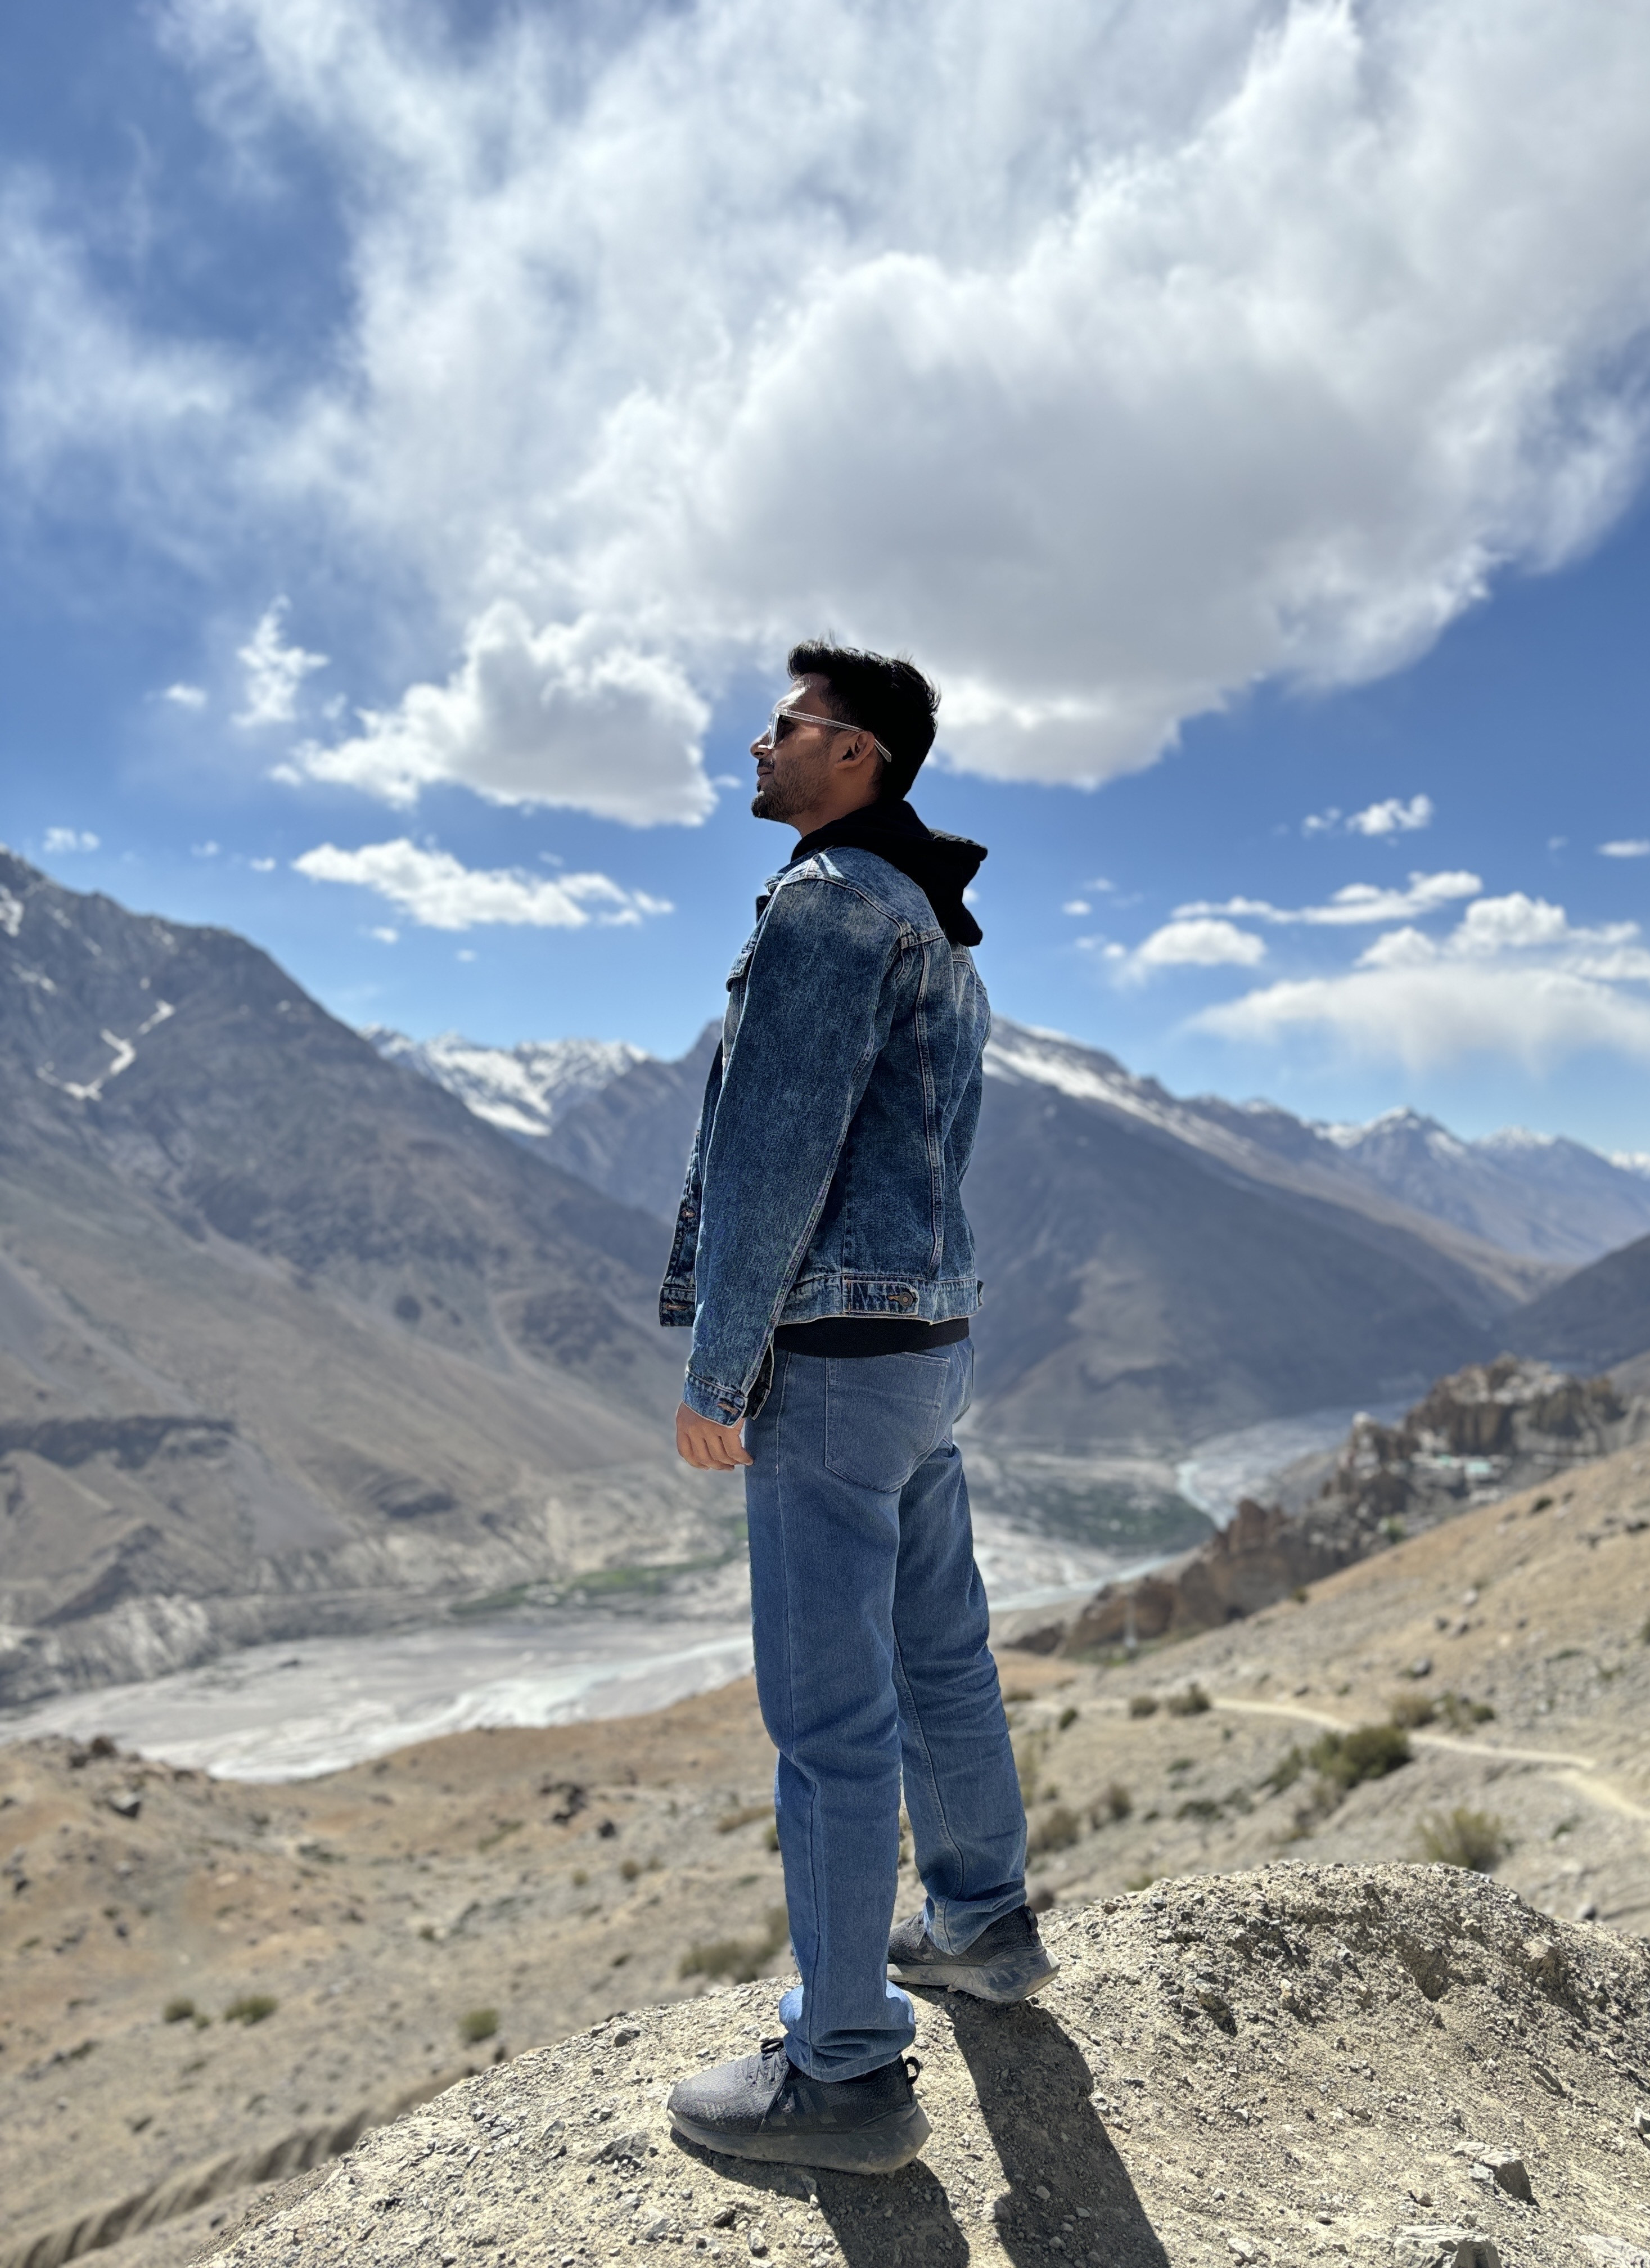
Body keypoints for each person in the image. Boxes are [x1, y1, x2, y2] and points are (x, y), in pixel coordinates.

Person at [660, 641, 1054, 2176]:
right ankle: (983, 1925)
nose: (757, 743)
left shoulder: (827, 906)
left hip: (828, 1362)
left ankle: (845, 2071)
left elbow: (776, 1155)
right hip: (927, 1344)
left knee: (829, 1722)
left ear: (855, 754)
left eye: (785, 723)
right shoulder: (930, 915)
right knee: (941, 1652)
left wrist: (720, 1374)